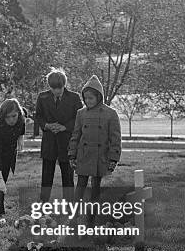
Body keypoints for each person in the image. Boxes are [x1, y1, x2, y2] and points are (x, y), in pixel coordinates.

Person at [68, 75, 122, 227]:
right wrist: (72, 154)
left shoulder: (110, 114)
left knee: (95, 189)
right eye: (85, 98)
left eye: (91, 98)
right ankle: (74, 217)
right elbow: (76, 135)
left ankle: (91, 219)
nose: (88, 101)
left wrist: (113, 159)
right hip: (84, 156)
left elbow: (115, 138)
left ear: (99, 97)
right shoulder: (81, 113)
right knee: (80, 188)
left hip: (100, 157)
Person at [34, 69, 83, 202]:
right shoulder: (42, 97)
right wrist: (47, 126)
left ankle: (69, 205)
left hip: (67, 142)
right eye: (53, 88)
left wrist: (65, 127)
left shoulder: (74, 97)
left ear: (64, 84)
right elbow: (38, 116)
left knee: (68, 176)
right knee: (46, 176)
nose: (57, 91)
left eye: (59, 88)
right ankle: (44, 203)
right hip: (49, 141)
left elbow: (79, 118)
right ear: (49, 86)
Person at [0, 99, 26, 216]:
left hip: (9, 152)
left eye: (14, 116)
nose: (12, 120)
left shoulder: (20, 119)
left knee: (2, 174)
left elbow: (23, 122)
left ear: (18, 113)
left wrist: (21, 136)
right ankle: (1, 211)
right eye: (8, 117)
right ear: (2, 116)